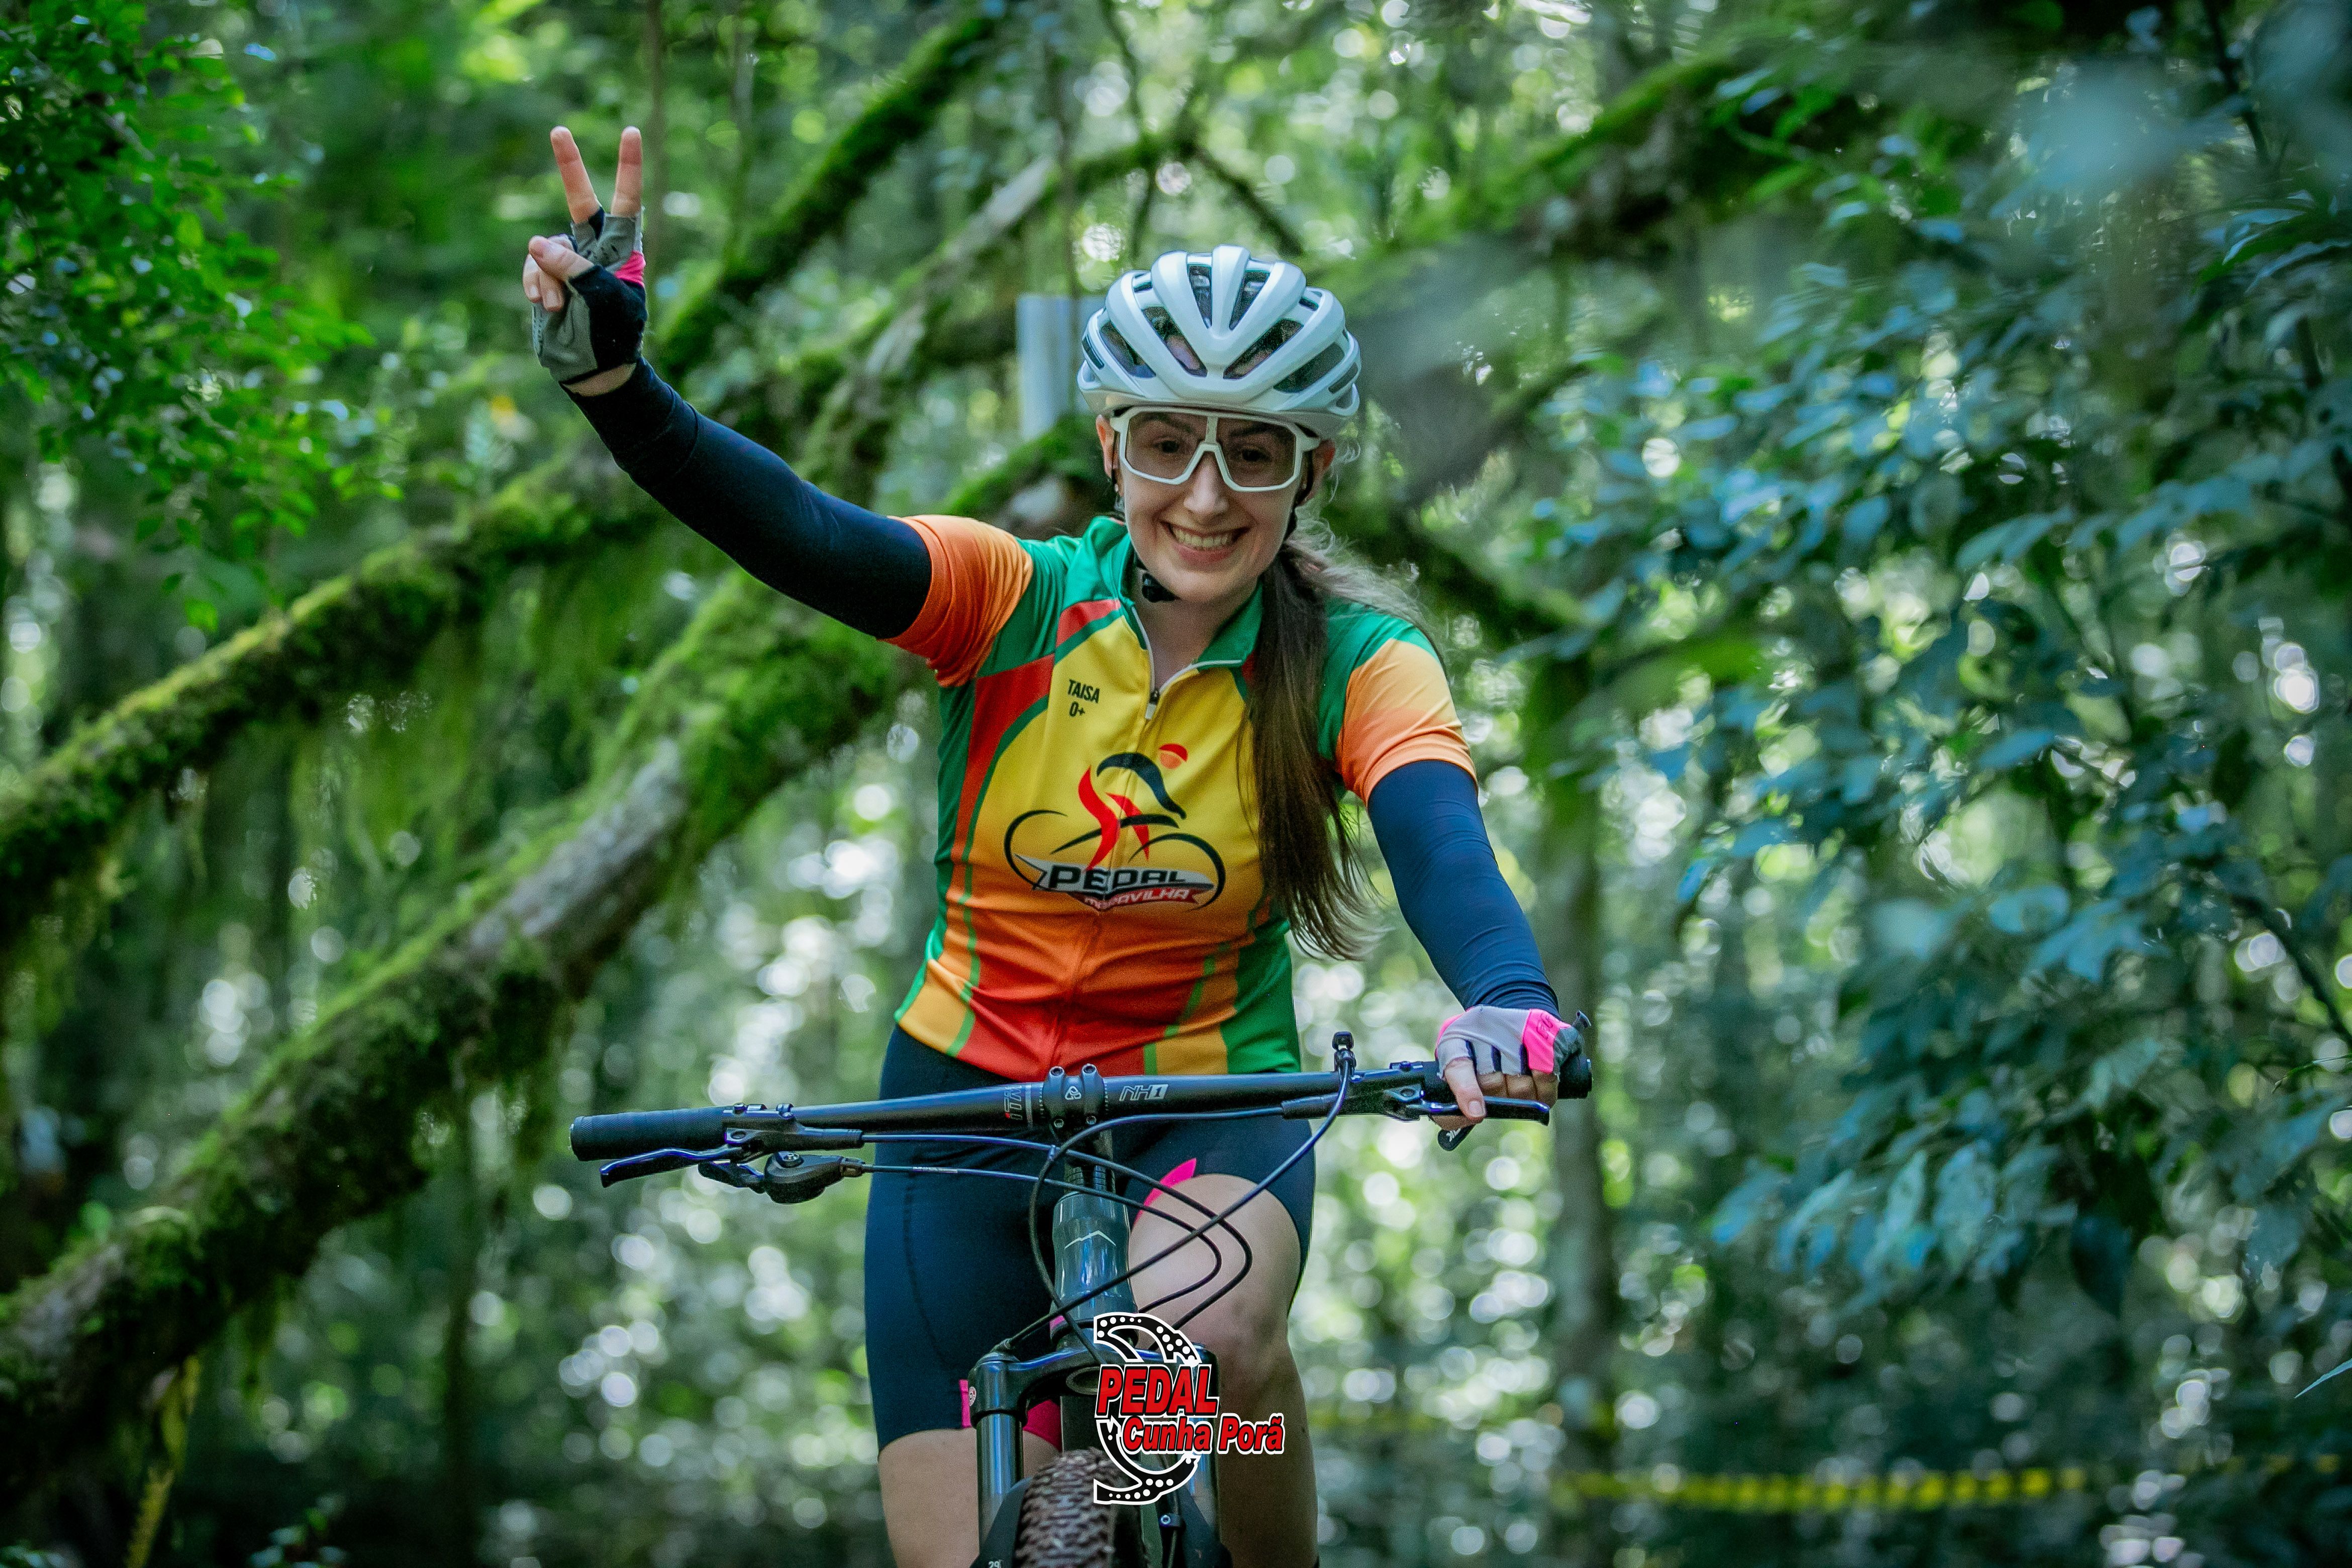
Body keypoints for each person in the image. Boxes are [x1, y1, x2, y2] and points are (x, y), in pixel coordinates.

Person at [524, 126, 1575, 1568]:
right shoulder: (1009, 599)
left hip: (1204, 1099)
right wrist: (617, 390)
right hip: (959, 1101)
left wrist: (1507, 1001)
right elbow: (799, 530)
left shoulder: (1362, 663)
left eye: (1253, 452)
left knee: (1207, 1339)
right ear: (1112, 448)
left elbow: (1441, 847)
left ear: (1310, 472)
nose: (1205, 494)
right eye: (1168, 443)